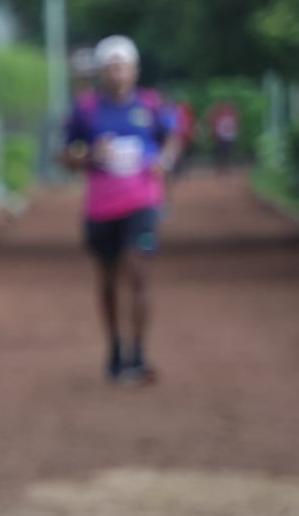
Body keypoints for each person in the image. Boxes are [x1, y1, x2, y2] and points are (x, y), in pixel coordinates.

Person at [60, 35, 183, 384]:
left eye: (123, 65)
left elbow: (172, 136)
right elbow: (66, 155)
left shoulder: (151, 105)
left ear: (134, 69)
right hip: (101, 208)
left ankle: (139, 353)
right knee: (108, 280)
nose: (117, 72)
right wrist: (88, 155)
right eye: (111, 66)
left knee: (138, 271)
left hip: (142, 203)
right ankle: (114, 347)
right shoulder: (85, 109)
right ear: (101, 71)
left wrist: (165, 160)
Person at [205, 98, 241, 171]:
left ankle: (223, 166)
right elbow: (212, 121)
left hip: (227, 136)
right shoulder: (220, 114)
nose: (226, 108)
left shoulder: (232, 114)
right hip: (221, 135)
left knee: (225, 151)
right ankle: (221, 165)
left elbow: (235, 124)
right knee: (220, 151)